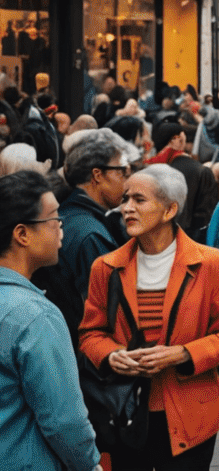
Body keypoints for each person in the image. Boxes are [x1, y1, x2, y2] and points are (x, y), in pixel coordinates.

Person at [79, 162, 219, 471]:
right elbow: (91, 334)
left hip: (191, 412)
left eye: (139, 200)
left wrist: (183, 353)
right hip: (126, 412)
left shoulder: (210, 263)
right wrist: (111, 354)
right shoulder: (106, 267)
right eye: (125, 199)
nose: (127, 208)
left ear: (169, 210)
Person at [0, 169, 102, 471]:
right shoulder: (34, 316)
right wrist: (90, 465)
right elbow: (65, 422)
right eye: (54, 218)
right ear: (22, 234)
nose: (61, 227)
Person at [32, 128, 128, 345]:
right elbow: (106, 313)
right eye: (121, 171)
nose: (126, 180)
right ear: (97, 175)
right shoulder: (90, 234)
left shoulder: (66, 213)